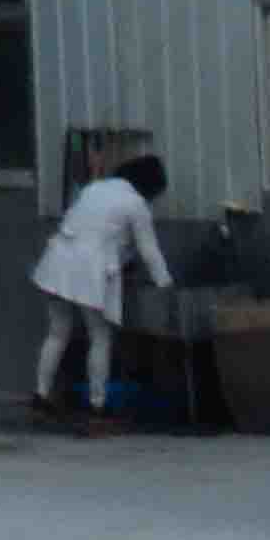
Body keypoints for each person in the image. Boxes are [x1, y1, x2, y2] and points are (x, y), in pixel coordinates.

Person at [31, 153, 172, 429]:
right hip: (91, 270)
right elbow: (149, 251)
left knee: (57, 332)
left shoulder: (94, 189)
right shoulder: (136, 204)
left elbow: (93, 229)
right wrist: (165, 284)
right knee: (100, 337)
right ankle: (98, 406)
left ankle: (41, 396)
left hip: (58, 260)